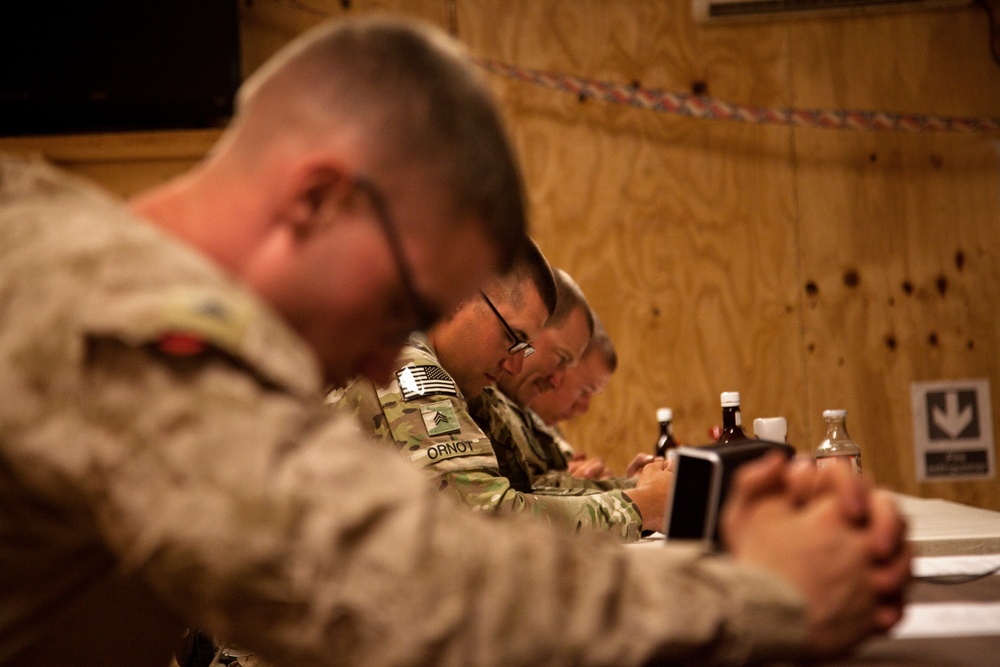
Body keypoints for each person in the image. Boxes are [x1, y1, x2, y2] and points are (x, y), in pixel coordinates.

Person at [0, 14, 910, 667]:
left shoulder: (47, 234)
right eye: (401, 301)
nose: (381, 362)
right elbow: (389, 588)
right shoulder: (129, 319)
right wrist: (766, 599)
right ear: (319, 200)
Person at [330, 246, 674, 541]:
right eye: (512, 338)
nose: (514, 366)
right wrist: (640, 507)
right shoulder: (403, 364)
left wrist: (631, 492)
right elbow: (486, 521)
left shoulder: (464, 379)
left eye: (523, 348)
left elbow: (526, 491)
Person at [472, 270, 653, 492]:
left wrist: (622, 487)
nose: (557, 381)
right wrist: (638, 495)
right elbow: (511, 506)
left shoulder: (513, 410)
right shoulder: (471, 392)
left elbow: (543, 489)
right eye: (561, 360)